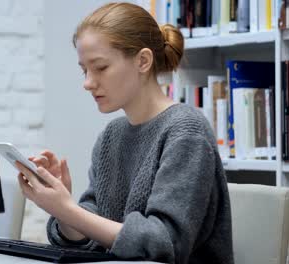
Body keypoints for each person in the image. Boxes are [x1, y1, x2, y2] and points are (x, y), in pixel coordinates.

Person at [15, 2, 234, 264]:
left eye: (100, 67)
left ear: (143, 61)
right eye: (84, 70)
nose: (87, 83)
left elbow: (163, 244)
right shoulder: (111, 136)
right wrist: (63, 210)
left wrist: (69, 210)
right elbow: (93, 237)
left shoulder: (186, 132)